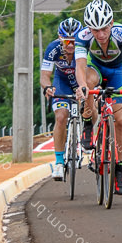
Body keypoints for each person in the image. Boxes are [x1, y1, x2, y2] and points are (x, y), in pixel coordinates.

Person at [74, 0, 122, 196]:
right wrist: (81, 87)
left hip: (117, 73)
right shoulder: (83, 36)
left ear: (111, 23)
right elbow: (79, 66)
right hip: (94, 68)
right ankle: (88, 123)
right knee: (87, 83)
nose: (101, 34)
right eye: (95, 30)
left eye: (104, 28)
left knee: (120, 120)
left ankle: (119, 169)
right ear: (89, 28)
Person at [40, 17, 92, 181]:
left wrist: (84, 88)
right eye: (67, 41)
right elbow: (44, 76)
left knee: (91, 108)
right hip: (61, 82)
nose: (70, 45)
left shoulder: (86, 47)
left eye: (74, 41)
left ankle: (89, 133)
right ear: (60, 39)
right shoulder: (53, 48)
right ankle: (59, 162)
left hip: (80, 80)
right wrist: (48, 87)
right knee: (61, 116)